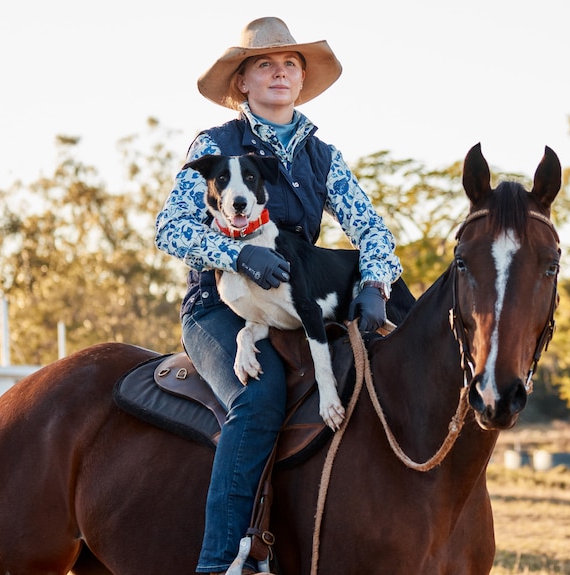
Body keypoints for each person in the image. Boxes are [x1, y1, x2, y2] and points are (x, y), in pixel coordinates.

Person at [155, 17, 402, 575]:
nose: (279, 73)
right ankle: (220, 562)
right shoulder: (215, 146)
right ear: (241, 81)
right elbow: (170, 228)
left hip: (295, 303)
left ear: (301, 79)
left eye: (290, 64)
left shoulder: (322, 155)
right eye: (264, 64)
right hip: (223, 307)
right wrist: (237, 255)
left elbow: (370, 228)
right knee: (259, 397)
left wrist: (375, 282)